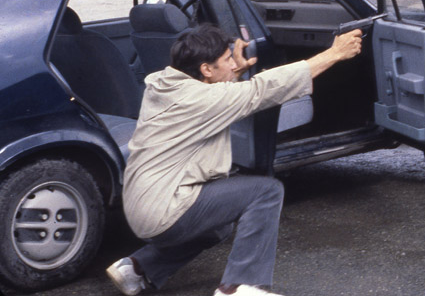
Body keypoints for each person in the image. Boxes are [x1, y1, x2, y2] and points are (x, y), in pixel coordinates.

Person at [106, 23, 363, 296]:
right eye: (228, 59)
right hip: (164, 209)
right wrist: (334, 53)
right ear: (206, 69)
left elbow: (215, 99)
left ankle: (138, 268)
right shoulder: (203, 99)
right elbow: (266, 88)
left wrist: (230, 75)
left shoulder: (164, 84)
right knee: (266, 192)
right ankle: (240, 286)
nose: (234, 63)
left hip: (141, 203)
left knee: (217, 227)